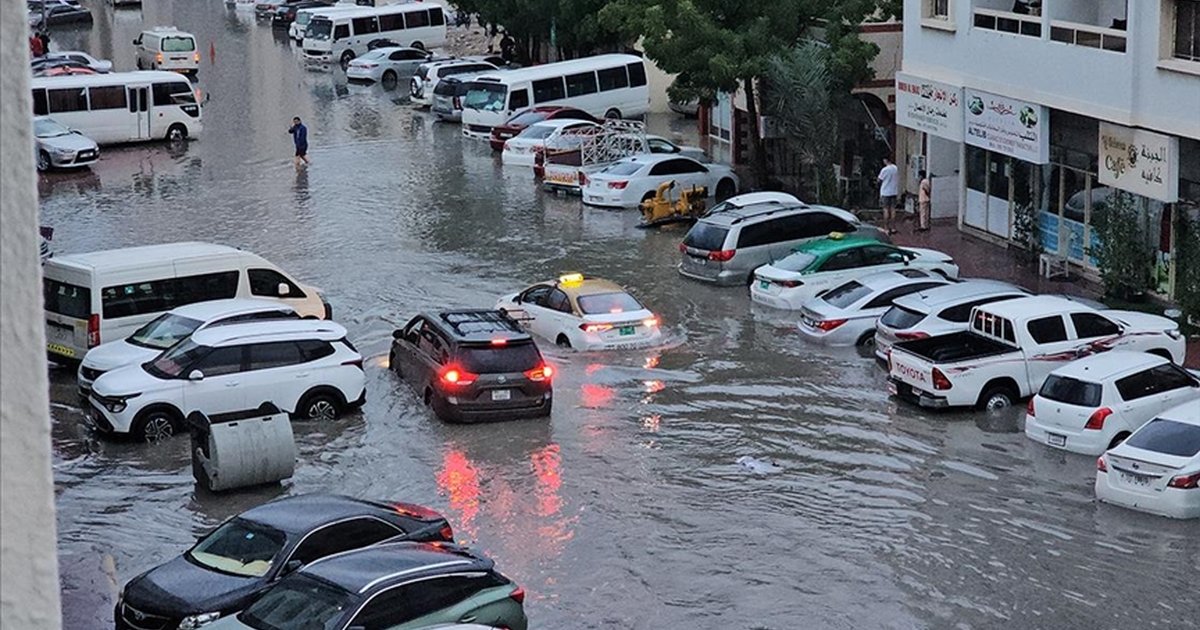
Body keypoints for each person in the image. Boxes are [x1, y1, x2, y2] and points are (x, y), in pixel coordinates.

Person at [877, 157, 899, 235]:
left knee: (886, 209)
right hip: (894, 191)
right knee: (893, 209)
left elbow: (879, 180)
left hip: (885, 192)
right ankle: (893, 227)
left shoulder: (884, 170)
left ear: (885, 160)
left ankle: (886, 228)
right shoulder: (895, 168)